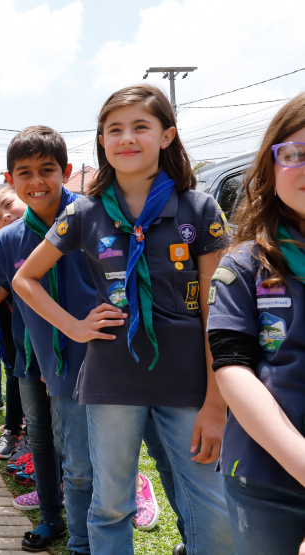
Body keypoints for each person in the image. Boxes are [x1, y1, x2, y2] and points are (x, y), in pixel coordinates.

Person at [13, 84, 234, 555]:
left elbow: (219, 314)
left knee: (211, 510)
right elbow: (25, 279)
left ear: (167, 136)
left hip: (189, 383)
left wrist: (217, 403)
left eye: (140, 127)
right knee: (110, 507)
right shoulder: (84, 212)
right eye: (114, 130)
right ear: (101, 141)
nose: (126, 138)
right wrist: (73, 326)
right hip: (112, 381)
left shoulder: (199, 210)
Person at [0, 127, 98, 553]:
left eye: (47, 171)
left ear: (66, 172)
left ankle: (90, 536)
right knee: (46, 440)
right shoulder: (9, 241)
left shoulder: (92, 215)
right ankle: (56, 520)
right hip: (37, 360)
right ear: (12, 179)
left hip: (101, 359)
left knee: (95, 457)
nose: (36, 182)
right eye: (25, 173)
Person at [207, 94, 305, 555]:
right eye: (294, 154)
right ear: (269, 166)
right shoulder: (244, 265)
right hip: (266, 477)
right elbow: (232, 366)